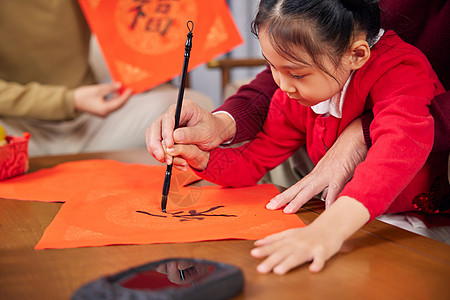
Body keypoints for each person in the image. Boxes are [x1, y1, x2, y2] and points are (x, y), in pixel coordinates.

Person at [150, 0, 448, 274]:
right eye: (272, 67)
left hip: (415, 220)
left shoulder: (400, 70)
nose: (282, 85)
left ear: (356, 55)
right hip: (346, 217)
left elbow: (396, 150)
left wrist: (328, 230)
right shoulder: (293, 93)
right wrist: (204, 159)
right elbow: (254, 159)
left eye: (297, 74)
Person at [0, 0, 214, 156]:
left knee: (188, 107)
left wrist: (146, 72)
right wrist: (70, 100)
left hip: (90, 121)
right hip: (15, 128)